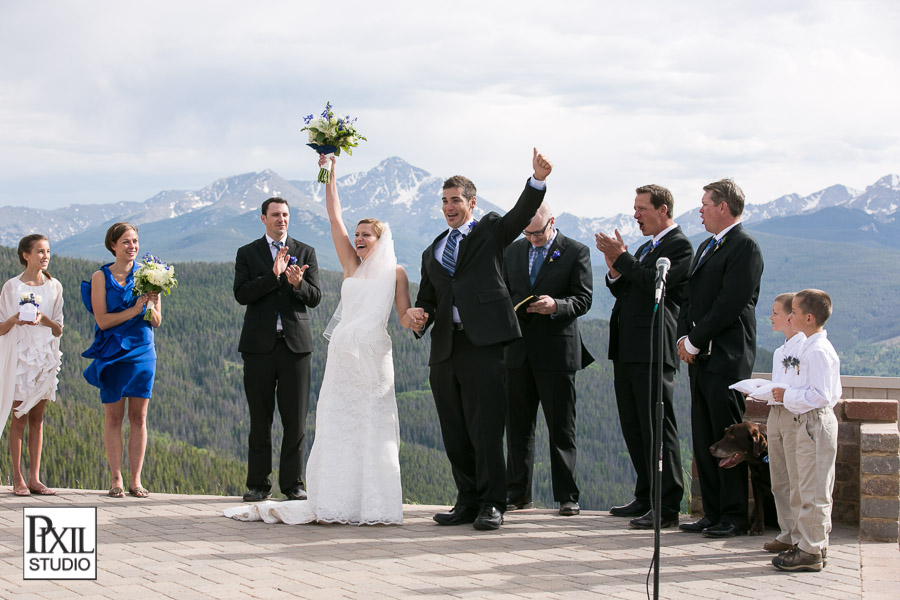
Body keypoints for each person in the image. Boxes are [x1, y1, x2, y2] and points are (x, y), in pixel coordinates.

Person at [225, 156, 414, 525]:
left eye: (365, 235)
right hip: (339, 354)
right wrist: (329, 172)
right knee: (331, 424)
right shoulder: (348, 264)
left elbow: (402, 314)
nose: (358, 239)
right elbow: (334, 216)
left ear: (380, 239)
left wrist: (415, 317)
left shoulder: (395, 273)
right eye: (356, 235)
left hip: (368, 355)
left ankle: (366, 497)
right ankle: (322, 494)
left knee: (364, 425)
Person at [407, 148, 552, 531]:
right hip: (445, 349)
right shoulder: (431, 250)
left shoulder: (489, 230)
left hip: (484, 345)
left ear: (471, 202)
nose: (449, 207)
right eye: (444, 201)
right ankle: (467, 501)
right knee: (454, 429)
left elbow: (521, 215)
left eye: (455, 200)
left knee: (486, 427)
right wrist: (418, 315)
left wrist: (536, 180)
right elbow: (429, 298)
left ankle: (493, 503)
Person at [596, 184, 692, 529]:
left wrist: (624, 258)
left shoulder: (679, 246)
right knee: (634, 425)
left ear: (663, 210)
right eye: (634, 209)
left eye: (641, 209)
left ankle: (667, 505)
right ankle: (645, 493)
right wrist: (614, 267)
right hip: (629, 347)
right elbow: (627, 286)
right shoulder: (646, 247)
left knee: (657, 426)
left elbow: (656, 284)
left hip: (653, 347)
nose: (635, 215)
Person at [676, 179, 764, 538]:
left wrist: (696, 340)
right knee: (705, 437)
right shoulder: (706, 246)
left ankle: (733, 514)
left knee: (729, 440)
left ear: (723, 207)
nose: (700, 209)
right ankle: (711, 511)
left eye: (705, 203)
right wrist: (683, 336)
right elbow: (690, 296)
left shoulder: (745, 247)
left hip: (727, 356)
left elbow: (731, 303)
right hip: (701, 357)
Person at [504, 203, 593, 517]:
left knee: (561, 428)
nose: (532, 238)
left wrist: (556, 305)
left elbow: (584, 298)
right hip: (517, 352)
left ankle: (567, 496)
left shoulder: (576, 251)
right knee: (517, 428)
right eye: (527, 233)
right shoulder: (512, 251)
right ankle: (517, 494)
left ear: (552, 223)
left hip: (557, 352)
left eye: (538, 232)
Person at [233, 197, 322, 502]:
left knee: (295, 420)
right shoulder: (247, 253)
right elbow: (242, 294)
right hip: (258, 348)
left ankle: (293, 484)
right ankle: (258, 484)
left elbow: (315, 297)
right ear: (263, 219)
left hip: (295, 348)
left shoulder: (305, 251)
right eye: (275, 215)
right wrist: (272, 276)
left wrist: (298, 284)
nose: (281, 219)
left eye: (285, 214)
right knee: (260, 419)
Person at [81, 223, 161, 498]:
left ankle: (136, 481)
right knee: (113, 417)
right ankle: (116, 479)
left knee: (139, 417)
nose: (132, 246)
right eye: (126, 242)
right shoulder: (101, 277)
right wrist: (134, 310)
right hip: (112, 351)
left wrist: (150, 305)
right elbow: (102, 321)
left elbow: (158, 321)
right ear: (113, 245)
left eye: (135, 241)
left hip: (142, 351)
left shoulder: (150, 275)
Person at [769, 289, 840, 572]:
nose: (791, 317)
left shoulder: (819, 351)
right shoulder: (809, 347)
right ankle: (812, 544)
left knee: (812, 489)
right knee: (807, 486)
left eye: (795, 313)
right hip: (806, 421)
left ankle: (810, 550)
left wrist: (787, 397)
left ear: (809, 318)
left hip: (814, 421)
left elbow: (821, 395)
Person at [0, 234, 63, 496]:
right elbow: (1, 328)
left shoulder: (54, 287)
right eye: (40, 251)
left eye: (47, 251)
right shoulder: (11, 287)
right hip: (19, 357)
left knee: (37, 419)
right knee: (19, 417)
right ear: (26, 255)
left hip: (44, 357)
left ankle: (35, 478)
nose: (45, 256)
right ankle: (18, 479)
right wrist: (15, 319)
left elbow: (59, 329)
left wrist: (44, 320)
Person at [760, 293, 806, 554]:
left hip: (792, 413)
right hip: (775, 413)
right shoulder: (780, 351)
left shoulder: (803, 346)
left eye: (776, 312)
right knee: (778, 478)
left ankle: (801, 535)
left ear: (790, 317)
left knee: (796, 477)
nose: (771, 317)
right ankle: (786, 531)